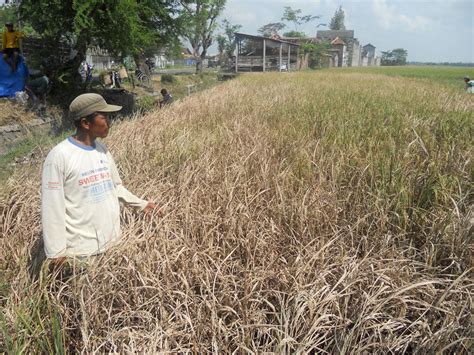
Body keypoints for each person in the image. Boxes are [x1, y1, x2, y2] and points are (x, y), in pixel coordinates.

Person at [41, 93, 157, 268]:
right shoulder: (59, 157)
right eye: (104, 117)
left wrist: (141, 204)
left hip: (113, 245)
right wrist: (56, 252)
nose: (109, 122)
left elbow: (115, 187)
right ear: (86, 123)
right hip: (82, 253)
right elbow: (52, 207)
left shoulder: (102, 149)